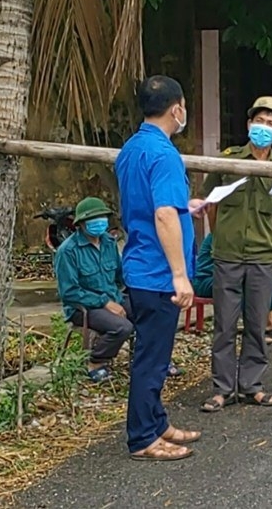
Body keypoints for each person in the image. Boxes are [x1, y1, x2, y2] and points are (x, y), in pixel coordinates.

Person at [115, 75, 203, 461]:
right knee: (152, 358)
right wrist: (180, 275)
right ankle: (142, 438)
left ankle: (157, 421)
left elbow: (157, 205)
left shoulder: (132, 149)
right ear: (177, 109)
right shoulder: (165, 154)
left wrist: (188, 206)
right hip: (157, 272)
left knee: (154, 353)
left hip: (140, 263)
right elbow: (164, 214)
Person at [200, 96, 272, 412]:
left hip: (261, 256)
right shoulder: (226, 161)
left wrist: (261, 235)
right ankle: (222, 389)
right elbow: (210, 204)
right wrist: (222, 236)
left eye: (271, 123)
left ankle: (252, 385)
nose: (263, 127)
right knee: (224, 325)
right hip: (226, 255)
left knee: (257, 323)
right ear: (248, 124)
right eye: (259, 121)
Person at [54, 197, 133, 383]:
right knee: (122, 327)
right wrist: (104, 302)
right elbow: (70, 293)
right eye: (93, 219)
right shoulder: (68, 251)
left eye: (102, 218)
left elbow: (120, 277)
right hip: (83, 307)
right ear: (81, 223)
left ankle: (145, 360)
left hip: (114, 297)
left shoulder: (109, 242)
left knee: (148, 311)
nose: (99, 223)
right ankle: (95, 362)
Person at [191, 232, 272, 345]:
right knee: (247, 279)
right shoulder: (224, 234)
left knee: (265, 271)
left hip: (222, 277)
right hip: (206, 280)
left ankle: (271, 320)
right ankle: (253, 332)